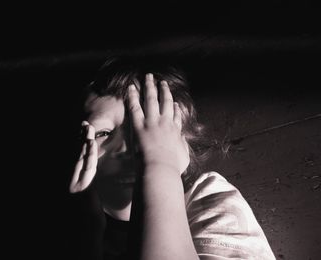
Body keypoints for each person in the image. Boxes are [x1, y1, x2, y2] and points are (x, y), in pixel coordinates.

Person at [68, 56, 276, 260]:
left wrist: (160, 163)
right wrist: (87, 234)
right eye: (102, 133)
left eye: (151, 131)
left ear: (181, 145)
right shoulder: (72, 226)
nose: (132, 149)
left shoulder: (209, 199)